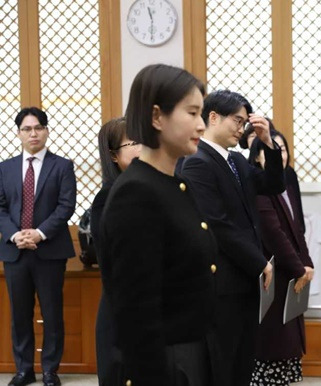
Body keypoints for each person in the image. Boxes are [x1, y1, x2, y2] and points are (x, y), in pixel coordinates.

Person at [98, 64, 218, 385]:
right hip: (162, 361)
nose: (202, 126)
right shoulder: (136, 193)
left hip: (191, 351)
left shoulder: (175, 184)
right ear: (156, 117)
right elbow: (137, 312)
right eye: (192, 113)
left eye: (202, 114)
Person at [181, 90, 285, 386]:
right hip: (221, 281)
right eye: (237, 121)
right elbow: (217, 224)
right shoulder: (197, 162)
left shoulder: (237, 161)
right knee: (223, 361)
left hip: (245, 278)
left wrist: (268, 145)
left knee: (243, 358)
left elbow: (274, 185)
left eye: (244, 122)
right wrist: (259, 262)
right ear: (213, 117)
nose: (241, 129)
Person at [0, 107, 76, 386]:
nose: (33, 133)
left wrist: (39, 233)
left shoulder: (63, 166)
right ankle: (24, 371)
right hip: (15, 251)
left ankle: (49, 371)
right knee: (19, 315)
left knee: (52, 313)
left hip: (49, 251)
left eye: (38, 128)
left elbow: (66, 206)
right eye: (27, 129)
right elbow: (1, 208)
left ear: (46, 130)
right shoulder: (4, 168)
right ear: (18, 133)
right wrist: (15, 234)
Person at [248, 130, 314, 386]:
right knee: (274, 343)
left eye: (283, 149)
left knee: (289, 344)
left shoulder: (287, 180)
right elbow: (273, 233)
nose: (280, 155)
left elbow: (298, 228)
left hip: (294, 271)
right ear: (257, 157)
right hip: (273, 272)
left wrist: (307, 264)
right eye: (272, 149)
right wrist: (299, 269)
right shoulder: (259, 187)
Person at [91, 117, 141, 385]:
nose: (141, 147)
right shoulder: (108, 198)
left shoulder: (147, 188)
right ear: (113, 155)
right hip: (124, 309)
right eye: (133, 142)